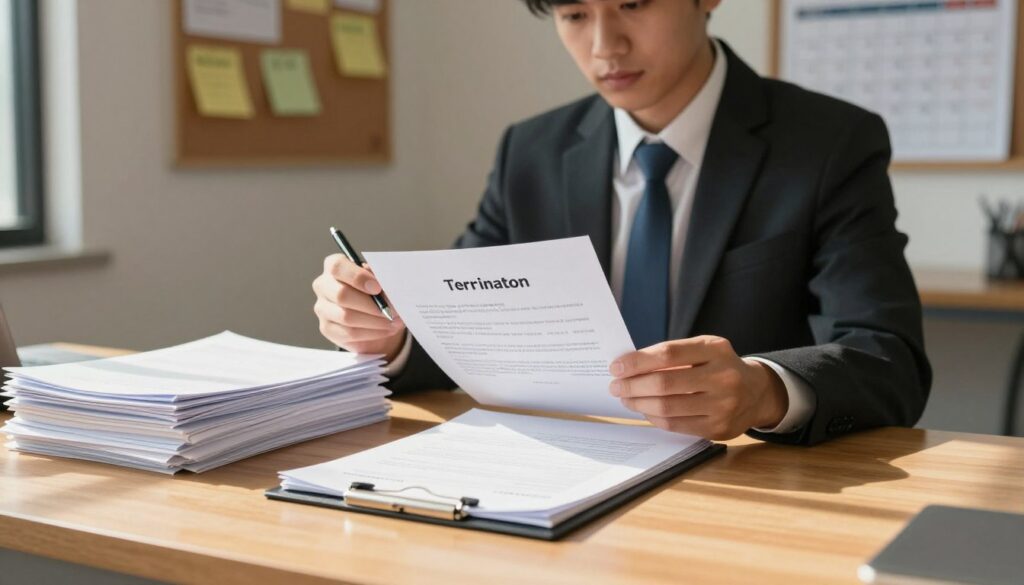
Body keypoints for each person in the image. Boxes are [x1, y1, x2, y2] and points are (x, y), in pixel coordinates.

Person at [312, 0, 931, 445]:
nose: (605, 45)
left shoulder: (829, 143)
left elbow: (889, 359)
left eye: (632, 4)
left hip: (742, 490)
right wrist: (389, 335)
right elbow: (465, 336)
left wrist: (763, 389)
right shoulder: (530, 152)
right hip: (562, 475)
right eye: (574, 14)